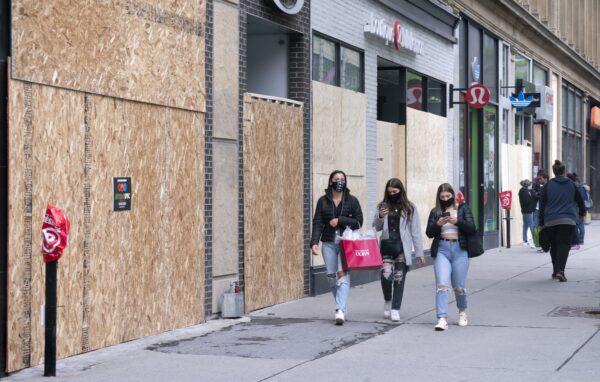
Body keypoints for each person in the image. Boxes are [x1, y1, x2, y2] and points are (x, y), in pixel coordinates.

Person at [311, 170, 363, 325]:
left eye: (342, 179)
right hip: (328, 243)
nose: (339, 181)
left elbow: (359, 222)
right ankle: (342, 307)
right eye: (336, 179)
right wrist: (314, 242)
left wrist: (339, 220)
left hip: (345, 244)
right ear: (330, 182)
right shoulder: (323, 201)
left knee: (342, 275)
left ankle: (339, 309)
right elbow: (318, 222)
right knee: (332, 277)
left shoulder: (352, 201)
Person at [426, 183, 478, 331]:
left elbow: (472, 228)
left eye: (448, 196)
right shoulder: (435, 212)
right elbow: (429, 233)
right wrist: (437, 224)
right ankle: (442, 318)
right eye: (442, 197)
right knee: (442, 285)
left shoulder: (462, 209)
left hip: (459, 250)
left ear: (453, 195)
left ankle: (462, 312)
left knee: (459, 286)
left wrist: (458, 221)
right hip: (442, 249)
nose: (445, 199)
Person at [372, 178, 425, 322]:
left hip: (402, 247)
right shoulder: (382, 206)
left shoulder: (409, 207)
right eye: (389, 192)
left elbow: (415, 231)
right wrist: (381, 216)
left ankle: (395, 308)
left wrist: (419, 253)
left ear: (401, 191)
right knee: (385, 277)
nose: (392, 194)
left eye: (395, 191)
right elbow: (375, 226)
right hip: (386, 246)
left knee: (399, 278)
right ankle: (388, 300)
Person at [539, 161, 586, 282]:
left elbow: (542, 205)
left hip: (550, 220)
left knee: (554, 245)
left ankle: (555, 271)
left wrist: (541, 223)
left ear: (553, 171)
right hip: (568, 220)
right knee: (564, 245)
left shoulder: (548, 186)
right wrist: (582, 213)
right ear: (564, 171)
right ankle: (560, 271)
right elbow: (580, 200)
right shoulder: (571, 184)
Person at [518, 179, 537, 248]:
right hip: (527, 210)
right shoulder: (523, 191)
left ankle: (525, 240)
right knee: (531, 226)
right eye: (529, 184)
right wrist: (532, 200)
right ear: (527, 185)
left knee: (525, 225)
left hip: (527, 210)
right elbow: (526, 201)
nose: (530, 186)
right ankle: (534, 241)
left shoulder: (525, 191)